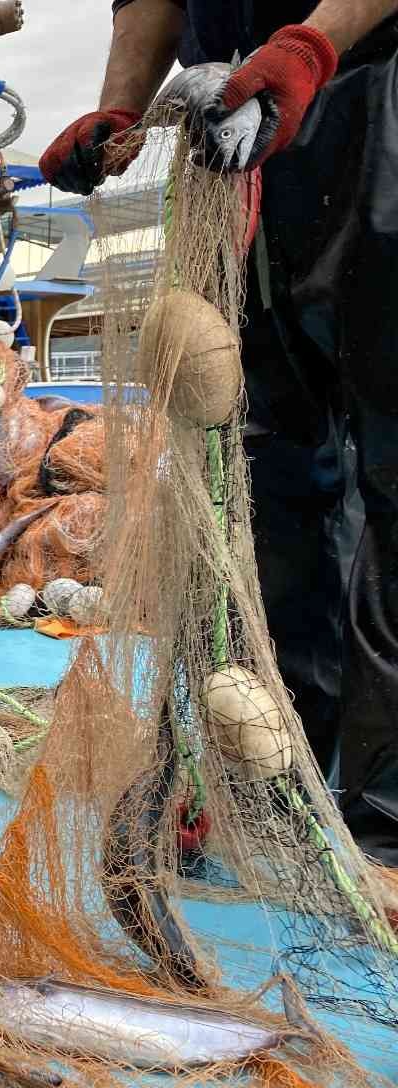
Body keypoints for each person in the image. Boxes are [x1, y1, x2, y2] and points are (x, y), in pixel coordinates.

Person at [41, 0, 398, 863]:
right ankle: (274, 778)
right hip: (237, 150)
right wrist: (120, 107)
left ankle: (388, 818)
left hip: (374, 109)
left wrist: (310, 45)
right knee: (263, 474)